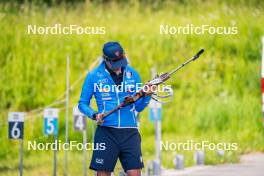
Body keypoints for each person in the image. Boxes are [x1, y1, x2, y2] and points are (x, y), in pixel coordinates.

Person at [78, 42, 154, 176]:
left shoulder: (133, 74)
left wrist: (147, 95)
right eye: (115, 64)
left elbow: (139, 107)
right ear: (105, 59)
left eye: (121, 62)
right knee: (103, 173)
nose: (119, 68)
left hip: (130, 131)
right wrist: (94, 115)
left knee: (135, 173)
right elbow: (82, 104)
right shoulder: (93, 76)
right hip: (106, 132)